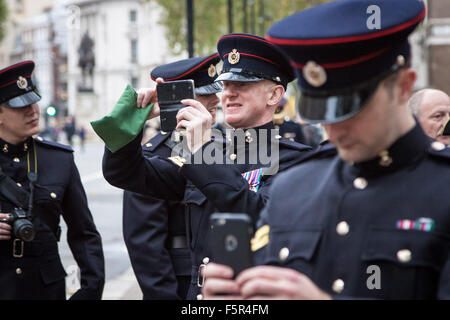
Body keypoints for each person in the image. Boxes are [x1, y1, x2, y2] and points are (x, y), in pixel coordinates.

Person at [202, 0, 450, 300]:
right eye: (322, 111)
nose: (333, 129)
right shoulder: (293, 188)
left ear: (403, 86)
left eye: (350, 109)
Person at [99, 33, 313, 300]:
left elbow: (260, 217)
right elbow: (125, 173)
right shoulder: (210, 151)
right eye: (227, 84)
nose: (229, 93)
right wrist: (131, 120)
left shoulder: (297, 160)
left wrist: (200, 149)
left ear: (274, 95)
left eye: (243, 85)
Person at [0, 61, 105, 300]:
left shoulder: (59, 160)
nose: (33, 111)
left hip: (46, 290)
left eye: (34, 101)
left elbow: (85, 234)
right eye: (20, 106)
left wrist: (89, 292)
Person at [122, 53, 222, 300]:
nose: (215, 99)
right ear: (178, 100)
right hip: (181, 282)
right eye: (202, 93)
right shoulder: (157, 155)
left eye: (214, 92)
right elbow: (147, 248)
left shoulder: (225, 146)